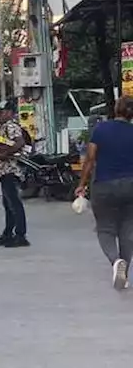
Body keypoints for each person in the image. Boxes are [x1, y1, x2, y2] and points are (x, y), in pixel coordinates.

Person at [76, 96, 133, 289]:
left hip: (104, 185)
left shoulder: (101, 130)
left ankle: (116, 261)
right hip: (131, 185)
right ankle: (124, 272)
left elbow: (90, 160)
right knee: (128, 228)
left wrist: (82, 184)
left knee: (105, 228)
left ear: (116, 109)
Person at [0, 100, 30, 247]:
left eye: (2, 111)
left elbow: (20, 142)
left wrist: (5, 153)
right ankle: (8, 233)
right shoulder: (3, 127)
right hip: (3, 171)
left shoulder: (11, 125)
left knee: (14, 203)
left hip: (10, 170)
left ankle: (20, 235)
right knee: (8, 203)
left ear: (10, 112)